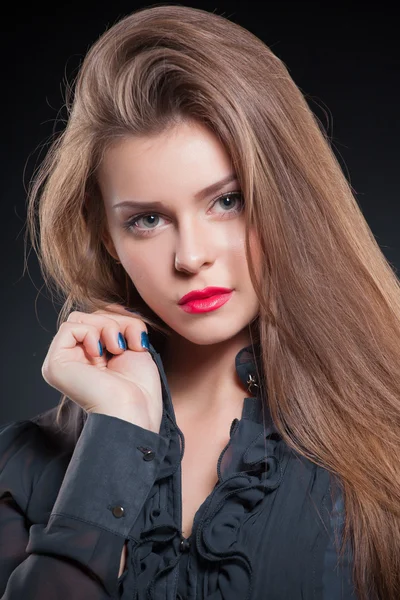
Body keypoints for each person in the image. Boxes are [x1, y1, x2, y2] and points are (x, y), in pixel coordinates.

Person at [0, 4, 399, 599]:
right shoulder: (21, 467)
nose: (191, 256)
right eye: (149, 219)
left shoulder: (388, 429)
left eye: (227, 201)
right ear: (106, 235)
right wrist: (115, 431)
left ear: (287, 197)